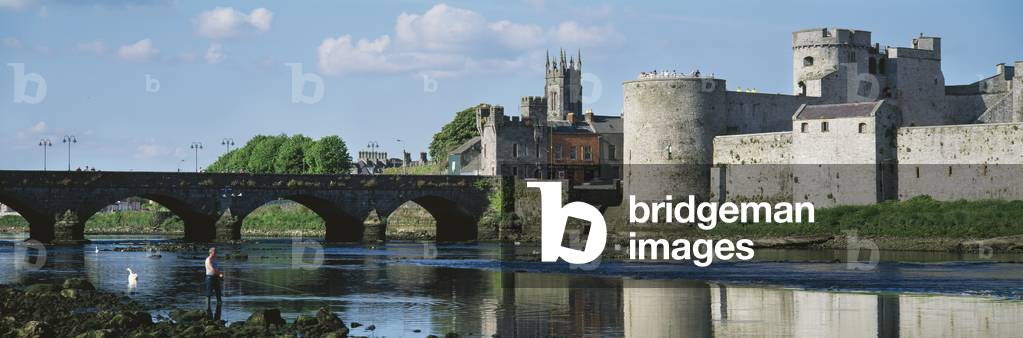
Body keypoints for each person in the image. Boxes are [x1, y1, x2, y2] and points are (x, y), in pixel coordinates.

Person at [204, 247, 224, 320]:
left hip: (216, 278)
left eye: (216, 252)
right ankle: (208, 309)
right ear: (211, 252)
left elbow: (217, 269)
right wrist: (219, 274)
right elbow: (212, 269)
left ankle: (219, 310)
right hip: (209, 278)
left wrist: (220, 276)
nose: (216, 253)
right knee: (208, 294)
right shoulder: (208, 260)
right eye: (215, 252)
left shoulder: (215, 260)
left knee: (218, 293)